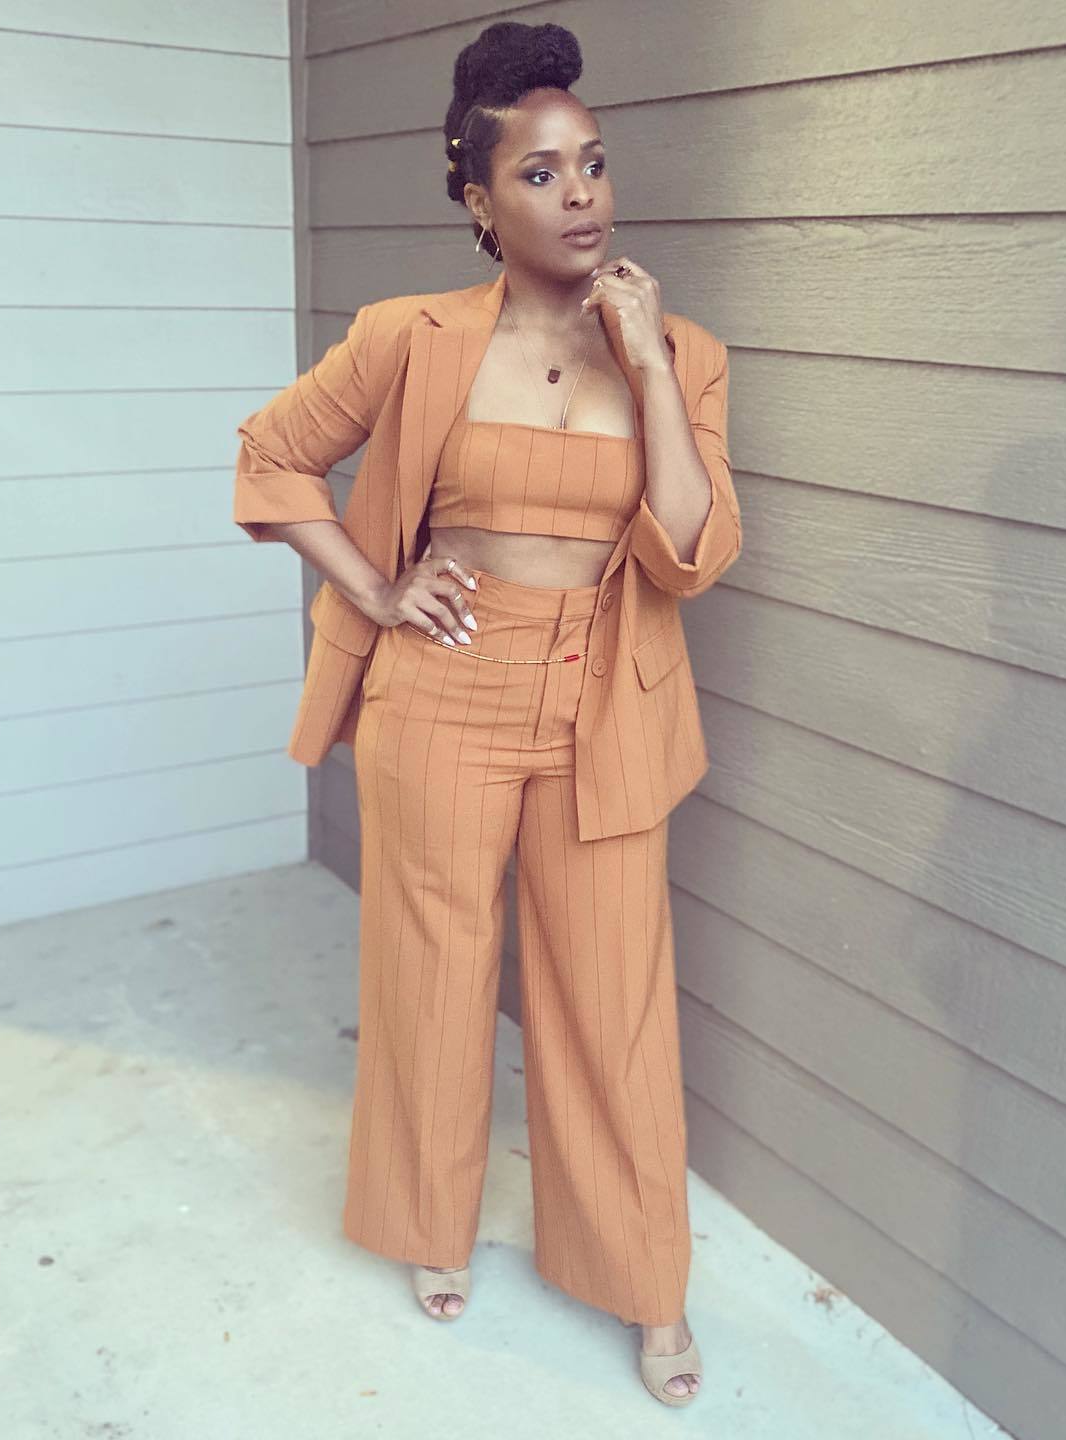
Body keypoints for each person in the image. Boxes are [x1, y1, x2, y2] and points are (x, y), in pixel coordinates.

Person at [232, 19, 742, 1408]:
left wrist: (647, 364)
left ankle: (647, 1283)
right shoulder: (410, 338)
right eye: (540, 173)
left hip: (604, 699)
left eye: (594, 164)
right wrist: (377, 589)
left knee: (612, 1002)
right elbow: (273, 455)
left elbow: (690, 552)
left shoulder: (683, 351)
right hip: (444, 691)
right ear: (479, 200)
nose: (581, 195)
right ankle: (427, 1221)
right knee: (434, 973)